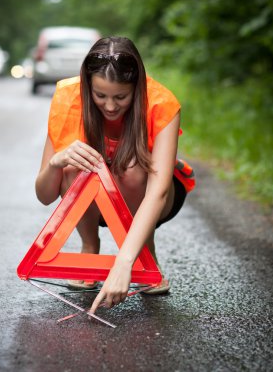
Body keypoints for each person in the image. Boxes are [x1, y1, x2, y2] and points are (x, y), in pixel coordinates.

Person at [35, 36, 195, 314]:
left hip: (153, 193)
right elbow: (45, 196)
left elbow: (158, 193)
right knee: (74, 164)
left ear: (138, 88)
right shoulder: (67, 97)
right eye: (100, 95)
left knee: (133, 166)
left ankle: (144, 253)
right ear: (87, 86)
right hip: (95, 200)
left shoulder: (162, 103)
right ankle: (89, 246)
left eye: (121, 97)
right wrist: (55, 163)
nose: (110, 106)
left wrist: (124, 262)